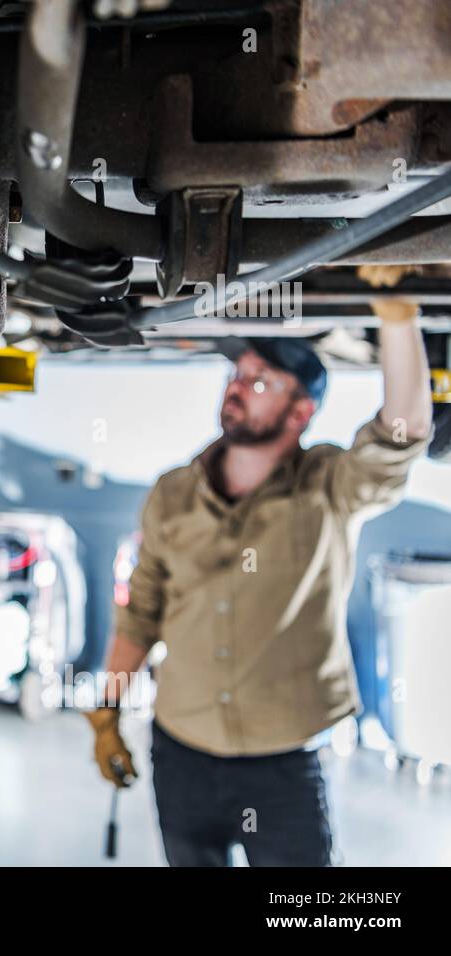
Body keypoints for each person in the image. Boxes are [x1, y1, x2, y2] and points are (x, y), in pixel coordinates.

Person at [86, 311, 433, 866]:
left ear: (301, 412)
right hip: (181, 750)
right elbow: (140, 613)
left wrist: (399, 320)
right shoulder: (173, 494)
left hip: (283, 761)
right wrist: (107, 713)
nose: (237, 387)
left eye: (261, 380)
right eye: (237, 374)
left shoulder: (329, 487)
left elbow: (401, 436)